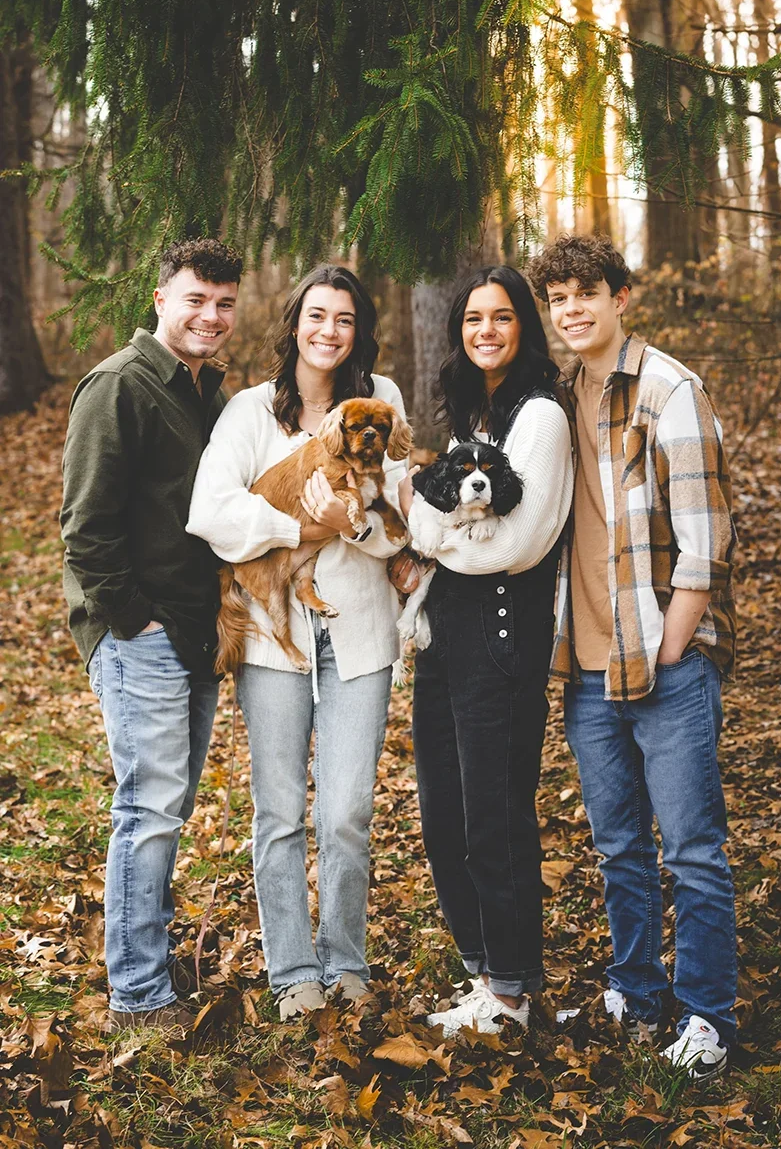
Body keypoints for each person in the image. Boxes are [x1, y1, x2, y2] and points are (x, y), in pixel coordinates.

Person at [528, 234, 737, 1080]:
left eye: (588, 293)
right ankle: (636, 992)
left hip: (666, 667)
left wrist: (669, 649)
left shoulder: (668, 389)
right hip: (586, 667)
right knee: (618, 846)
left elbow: (707, 541)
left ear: (622, 297)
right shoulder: (556, 397)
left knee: (690, 848)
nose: (572, 310)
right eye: (559, 298)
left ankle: (708, 1015)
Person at [187, 264, 409, 1021]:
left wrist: (353, 527)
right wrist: (301, 527)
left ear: (359, 331)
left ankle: (346, 960)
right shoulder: (249, 412)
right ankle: (293, 971)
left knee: (344, 809)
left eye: (344, 319)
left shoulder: (381, 403)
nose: (328, 331)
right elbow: (212, 513)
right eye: (317, 315)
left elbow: (393, 526)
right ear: (293, 325)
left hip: (359, 631)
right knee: (279, 810)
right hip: (271, 634)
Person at [60, 237, 243, 1030]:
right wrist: (137, 619)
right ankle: (138, 995)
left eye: (225, 302)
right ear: (160, 298)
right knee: (149, 809)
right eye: (196, 298)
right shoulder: (120, 387)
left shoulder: (204, 391)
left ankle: (148, 965)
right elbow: (85, 527)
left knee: (166, 806)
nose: (212, 315)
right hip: (143, 635)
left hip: (195, 634)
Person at [398, 264, 573, 1034]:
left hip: (502, 640)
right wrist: (432, 536)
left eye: (501, 317)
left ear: (523, 327)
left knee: (493, 817)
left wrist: (428, 534)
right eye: (473, 319)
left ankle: (511, 991)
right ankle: (486, 976)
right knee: (442, 816)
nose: (486, 331)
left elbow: (516, 545)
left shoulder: (539, 417)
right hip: (444, 641)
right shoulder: (480, 414)